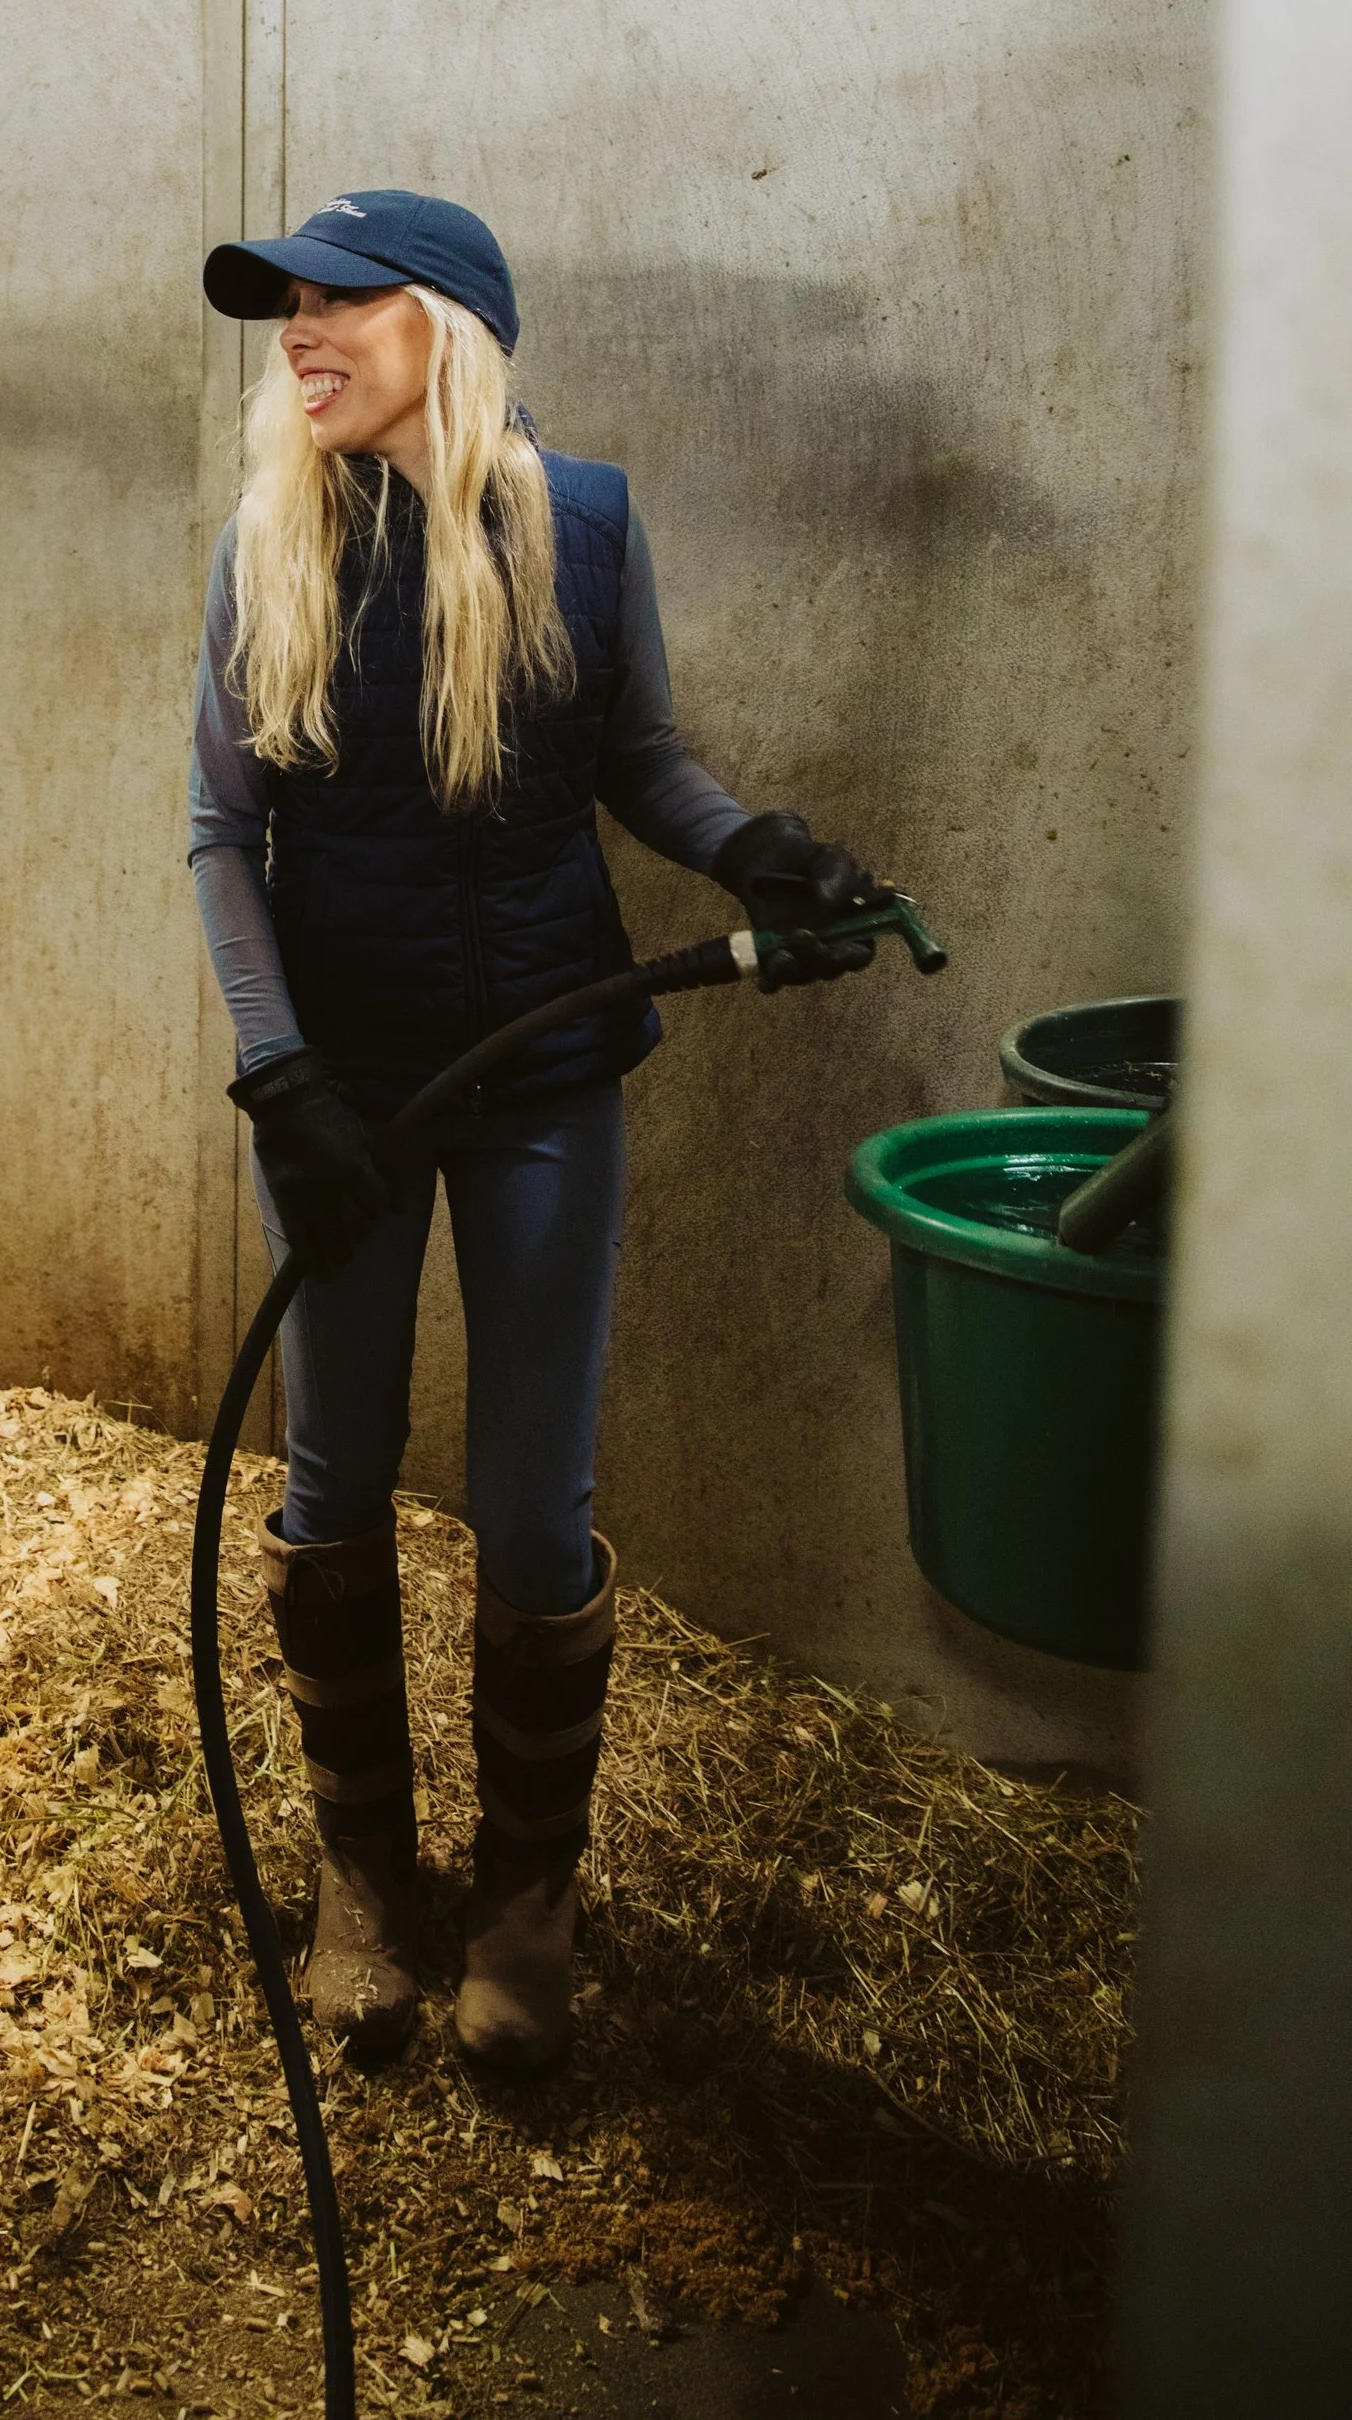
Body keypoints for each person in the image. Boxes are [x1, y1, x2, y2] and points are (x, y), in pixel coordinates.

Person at [190, 190, 883, 2076]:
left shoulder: (582, 524)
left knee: (533, 1503)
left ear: (452, 328)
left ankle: (523, 1901)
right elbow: (219, 840)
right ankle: (358, 1879)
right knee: (332, 1481)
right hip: (342, 1097)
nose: (301, 339)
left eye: (339, 306)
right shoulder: (272, 536)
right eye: (287, 315)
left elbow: (637, 755)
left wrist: (752, 847)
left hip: (545, 1078)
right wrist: (281, 1078)